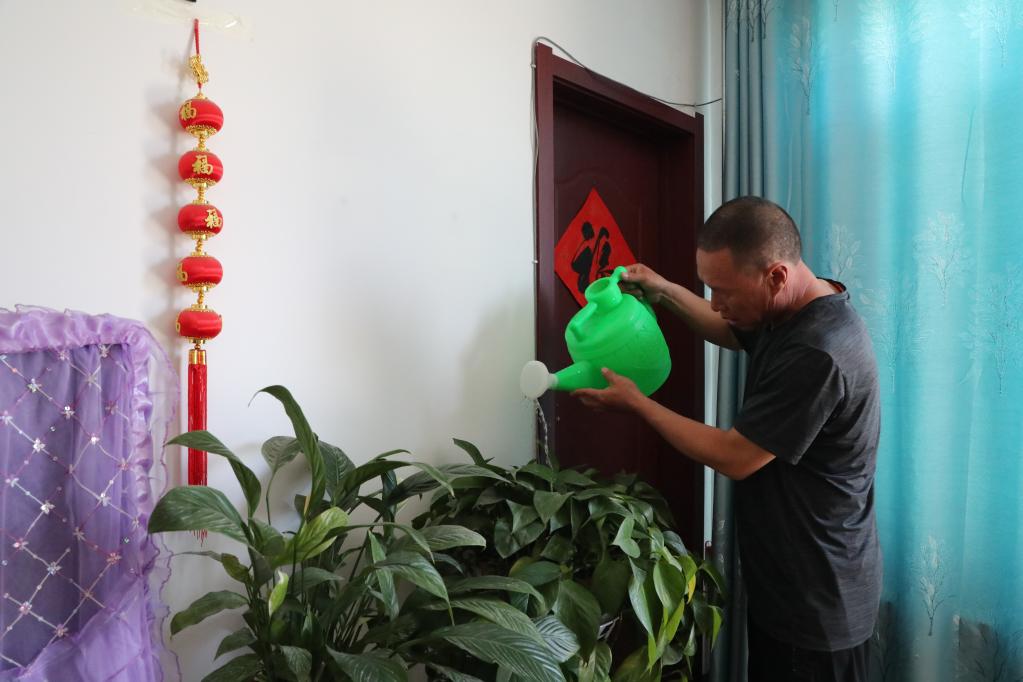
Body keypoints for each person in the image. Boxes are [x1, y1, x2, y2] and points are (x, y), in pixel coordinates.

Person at [573, 196, 881, 682]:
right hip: (795, 584)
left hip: (816, 601)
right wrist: (664, 290)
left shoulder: (818, 351)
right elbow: (729, 328)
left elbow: (736, 456)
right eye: (709, 288)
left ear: (776, 276)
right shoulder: (790, 306)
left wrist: (637, 403)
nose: (717, 303)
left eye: (723, 290)